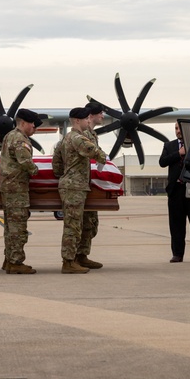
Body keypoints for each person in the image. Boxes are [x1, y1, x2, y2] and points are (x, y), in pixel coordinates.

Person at [54, 107, 108, 274]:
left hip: (73, 185)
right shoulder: (78, 138)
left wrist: (64, 175)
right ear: (77, 120)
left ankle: (79, 257)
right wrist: (104, 158)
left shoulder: (65, 139)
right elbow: (96, 152)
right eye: (85, 119)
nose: (88, 121)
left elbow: (56, 163)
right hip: (74, 187)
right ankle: (68, 262)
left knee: (78, 224)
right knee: (73, 226)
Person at [0, 108, 40, 274]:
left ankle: (9, 260)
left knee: (10, 227)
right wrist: (36, 170)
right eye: (32, 124)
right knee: (18, 228)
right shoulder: (19, 138)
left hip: (10, 187)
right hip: (16, 189)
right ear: (23, 123)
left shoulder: (10, 135)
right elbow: (25, 162)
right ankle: (15, 262)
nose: (34, 127)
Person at [159, 122, 190, 263]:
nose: (177, 131)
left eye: (179, 128)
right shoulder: (169, 145)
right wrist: (178, 154)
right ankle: (177, 254)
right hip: (176, 191)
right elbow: (162, 162)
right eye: (175, 129)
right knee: (176, 224)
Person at [79, 101, 107, 269]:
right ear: (91, 115)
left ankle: (83, 255)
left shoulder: (92, 134)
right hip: (82, 184)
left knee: (90, 224)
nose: (103, 116)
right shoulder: (84, 135)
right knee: (84, 223)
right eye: (100, 113)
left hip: (90, 185)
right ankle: (78, 256)